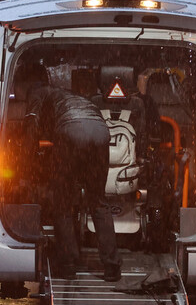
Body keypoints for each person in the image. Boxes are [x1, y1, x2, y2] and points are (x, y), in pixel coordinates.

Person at [20, 63, 121, 281]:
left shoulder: (37, 92)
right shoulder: (68, 95)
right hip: (101, 132)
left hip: (71, 131)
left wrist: (25, 162)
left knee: (63, 203)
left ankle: (68, 264)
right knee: (98, 202)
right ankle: (112, 266)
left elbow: (31, 125)